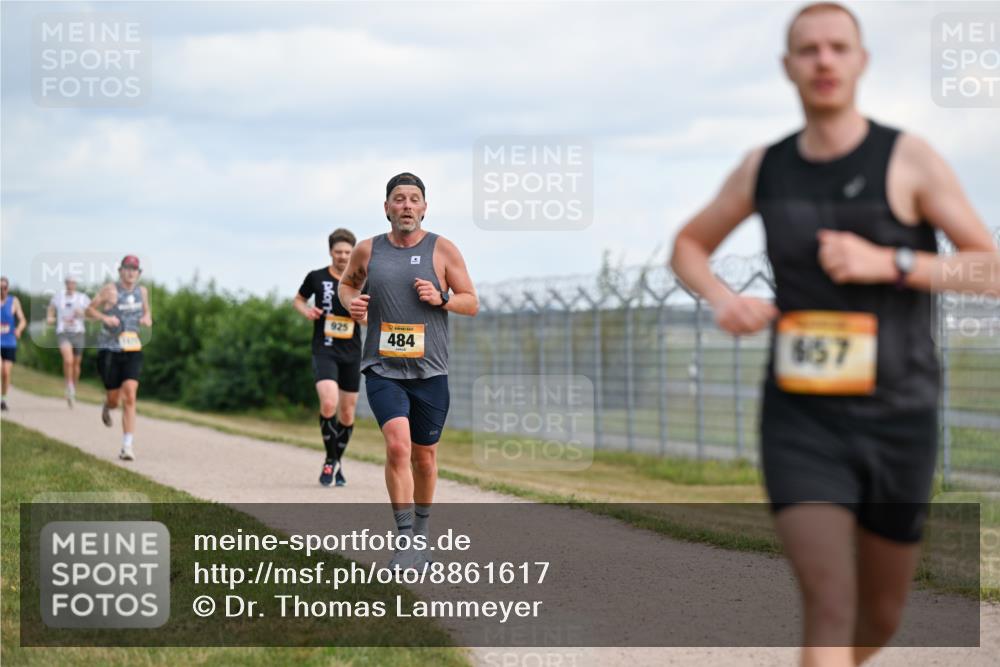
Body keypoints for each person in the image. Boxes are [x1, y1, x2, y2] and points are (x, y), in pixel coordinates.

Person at [669, 4, 998, 666]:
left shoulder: (908, 159)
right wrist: (723, 299)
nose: (823, 60)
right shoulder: (764, 168)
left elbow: (988, 268)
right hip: (801, 417)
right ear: (788, 67)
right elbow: (688, 244)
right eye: (808, 49)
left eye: (837, 47)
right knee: (829, 600)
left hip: (899, 414)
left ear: (861, 61)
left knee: (881, 613)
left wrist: (894, 262)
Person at [339, 172, 478, 569]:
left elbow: (472, 301)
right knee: (398, 445)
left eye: (413, 199)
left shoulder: (443, 249)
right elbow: (348, 286)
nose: (406, 206)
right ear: (386, 208)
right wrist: (352, 303)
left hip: (430, 371)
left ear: (424, 207)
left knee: (425, 457)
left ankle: (421, 533)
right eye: (398, 199)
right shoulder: (368, 250)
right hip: (382, 368)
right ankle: (403, 541)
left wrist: (442, 298)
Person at [293, 228, 363, 487]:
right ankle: (330, 459)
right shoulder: (317, 277)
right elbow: (298, 300)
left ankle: (337, 460)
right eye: (338, 252)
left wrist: (362, 317)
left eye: (347, 252)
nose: (343, 256)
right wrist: (307, 311)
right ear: (330, 252)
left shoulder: (361, 280)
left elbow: (370, 316)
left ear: (353, 253)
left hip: (352, 353)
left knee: (347, 412)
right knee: (329, 402)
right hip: (324, 349)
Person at [86, 255, 153, 461]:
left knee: (131, 394)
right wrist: (105, 317)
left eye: (135, 269)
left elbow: (147, 312)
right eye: (127, 268)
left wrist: (146, 318)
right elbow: (88, 310)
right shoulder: (109, 290)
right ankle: (108, 404)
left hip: (132, 348)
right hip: (110, 350)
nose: (131, 272)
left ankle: (127, 446)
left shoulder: (142, 291)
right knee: (115, 399)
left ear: (139, 273)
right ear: (120, 271)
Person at [47, 276, 91, 407]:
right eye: (69, 283)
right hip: (63, 332)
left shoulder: (82, 298)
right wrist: (50, 317)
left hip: (78, 333)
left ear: (76, 284)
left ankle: (73, 388)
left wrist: (82, 313)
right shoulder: (58, 297)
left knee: (77, 365)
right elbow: (51, 308)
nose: (71, 285)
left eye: (73, 283)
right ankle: (68, 385)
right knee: (68, 360)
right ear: (66, 283)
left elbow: (92, 312)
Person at [1, 276, 28, 412]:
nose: (2, 290)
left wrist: (18, 329)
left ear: (8, 288)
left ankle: (4, 399)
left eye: (4, 288)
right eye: (0, 288)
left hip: (10, 342)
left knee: (6, 372)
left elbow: (23, 320)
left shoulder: (14, 301)